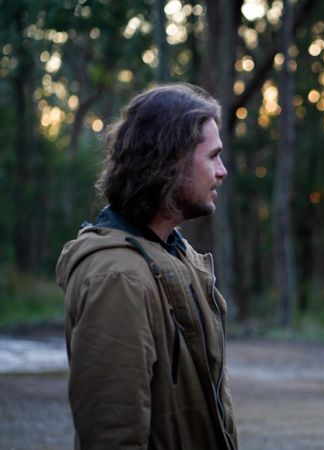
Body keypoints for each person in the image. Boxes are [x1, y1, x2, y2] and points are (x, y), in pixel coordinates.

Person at [56, 83, 237, 449]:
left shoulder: (175, 254)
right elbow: (113, 433)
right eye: (213, 156)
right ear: (172, 161)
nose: (223, 171)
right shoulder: (118, 277)